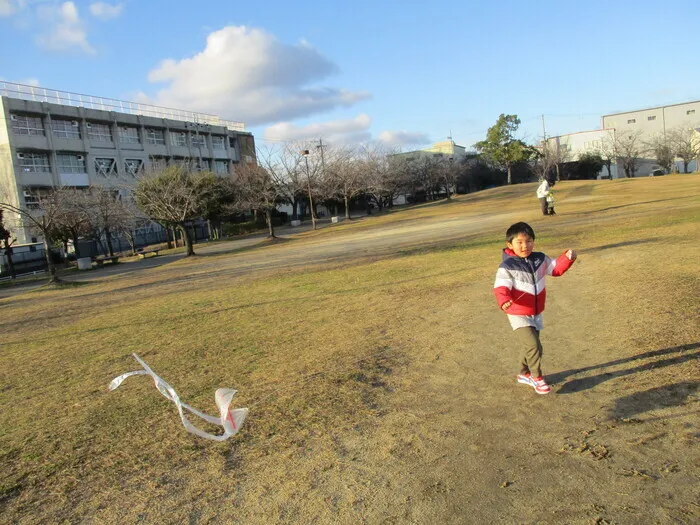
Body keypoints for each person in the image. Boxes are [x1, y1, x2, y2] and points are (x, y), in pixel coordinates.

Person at [493, 222, 577, 394]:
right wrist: (505, 300)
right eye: (520, 242)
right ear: (510, 244)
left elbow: (555, 269)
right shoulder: (507, 266)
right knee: (534, 346)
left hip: (536, 312)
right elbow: (501, 287)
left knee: (530, 346)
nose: (525, 246)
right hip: (517, 312)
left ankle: (523, 373)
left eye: (529, 241)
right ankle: (536, 377)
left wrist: (567, 258)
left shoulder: (539, 258)